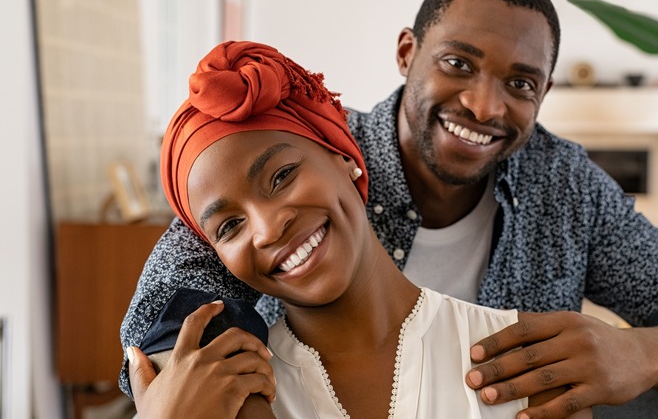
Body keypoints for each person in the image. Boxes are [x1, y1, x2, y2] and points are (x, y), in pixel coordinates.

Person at [120, 0, 658, 416]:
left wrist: (645, 352)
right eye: (458, 64)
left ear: (544, 94)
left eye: (520, 83)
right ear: (408, 53)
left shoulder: (566, 188)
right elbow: (165, 317)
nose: (485, 106)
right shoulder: (308, 161)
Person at [125, 40, 592, 418]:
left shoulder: (525, 367)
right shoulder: (220, 397)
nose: (267, 229)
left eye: (282, 176)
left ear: (345, 157)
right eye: (229, 226)